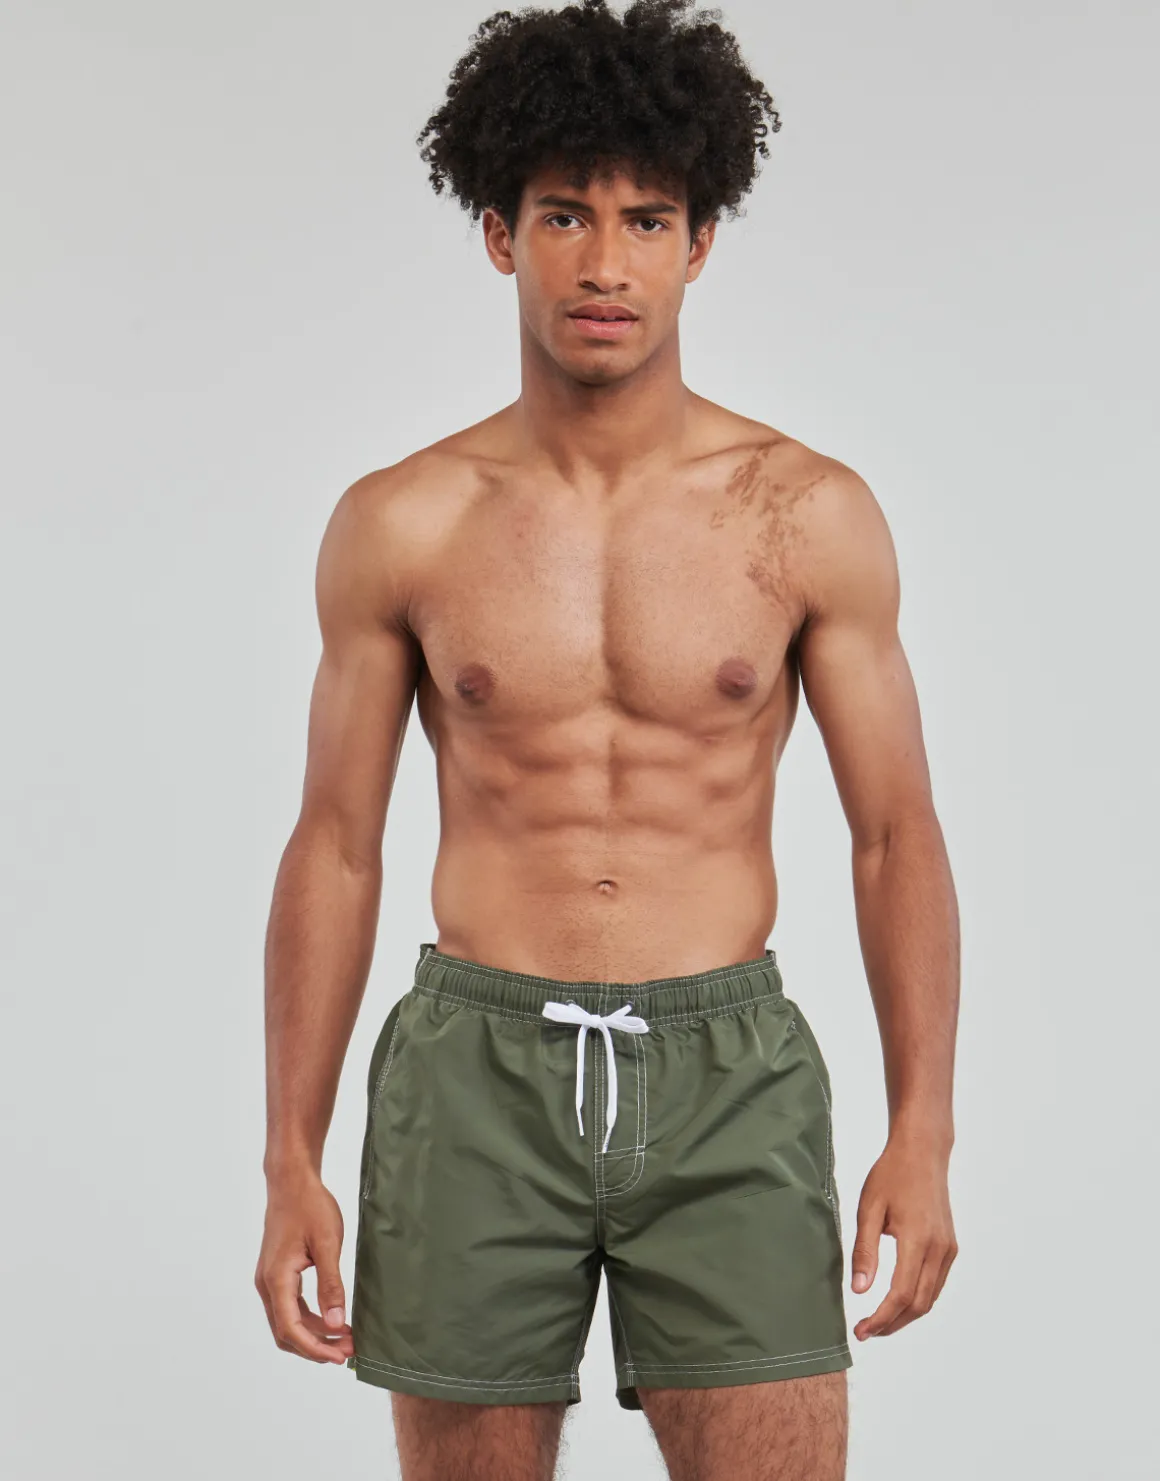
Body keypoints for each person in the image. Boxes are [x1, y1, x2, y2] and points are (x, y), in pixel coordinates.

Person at [254, 2, 960, 1477]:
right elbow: (336, 843)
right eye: (565, 215)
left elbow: (895, 833)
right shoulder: (404, 522)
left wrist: (925, 1129)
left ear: (699, 245)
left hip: (729, 1075)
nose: (603, 265)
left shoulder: (805, 513)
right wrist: (289, 1158)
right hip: (472, 1078)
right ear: (499, 234)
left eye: (647, 221)